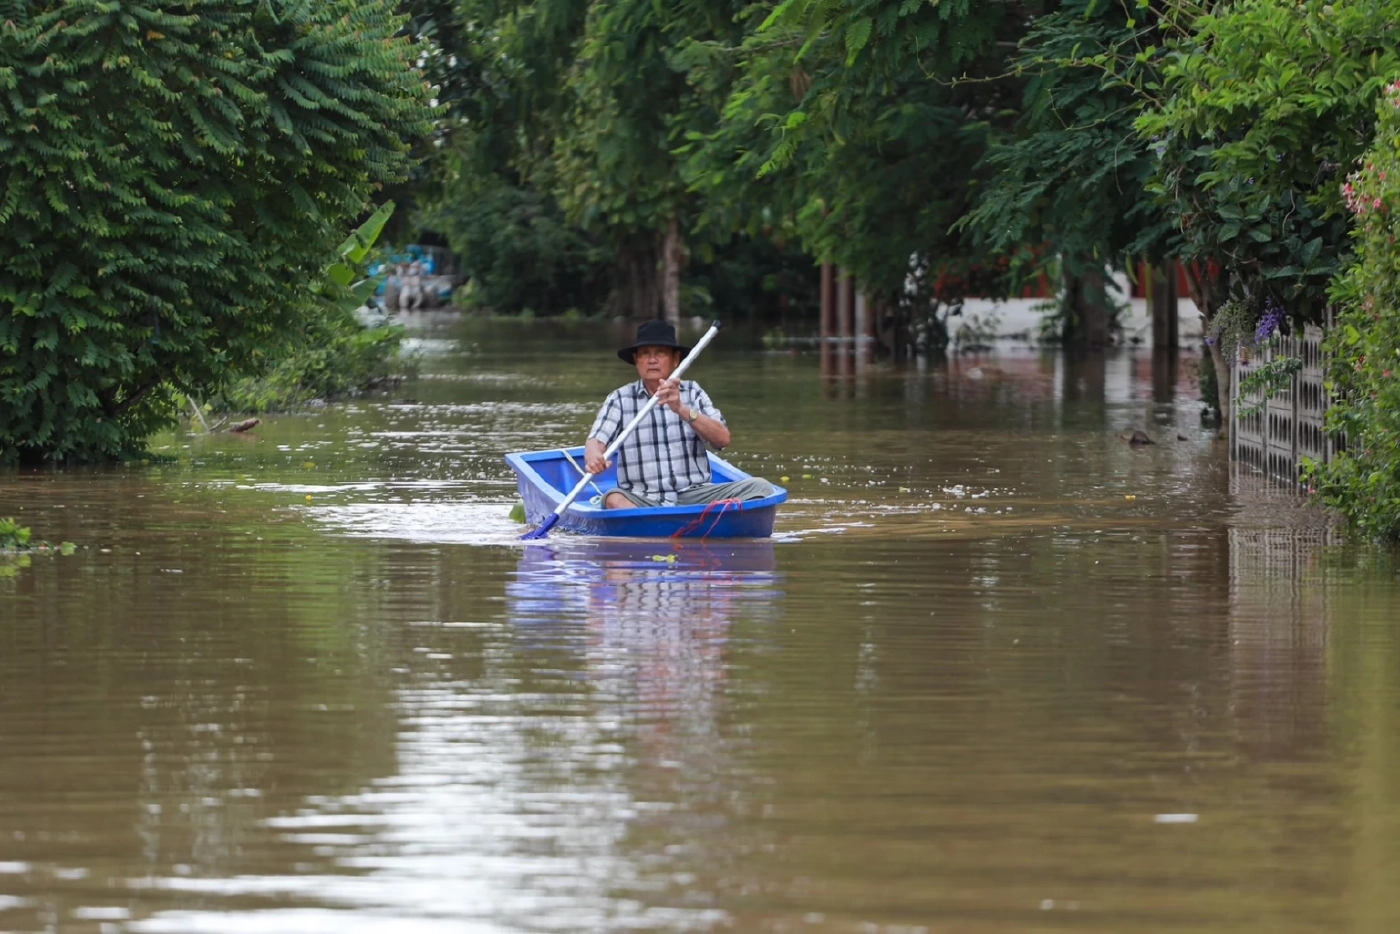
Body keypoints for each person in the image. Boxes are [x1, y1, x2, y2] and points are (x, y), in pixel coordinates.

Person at [584, 319, 774, 509]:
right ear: (636, 360)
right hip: (642, 499)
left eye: (660, 353)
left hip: (695, 495)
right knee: (613, 499)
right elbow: (596, 441)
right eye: (644, 354)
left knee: (761, 488)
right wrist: (594, 457)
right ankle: (656, 531)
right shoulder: (620, 398)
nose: (652, 360)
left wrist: (682, 409)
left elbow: (722, 439)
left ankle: (667, 530)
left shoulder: (693, 392)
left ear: (675, 359)